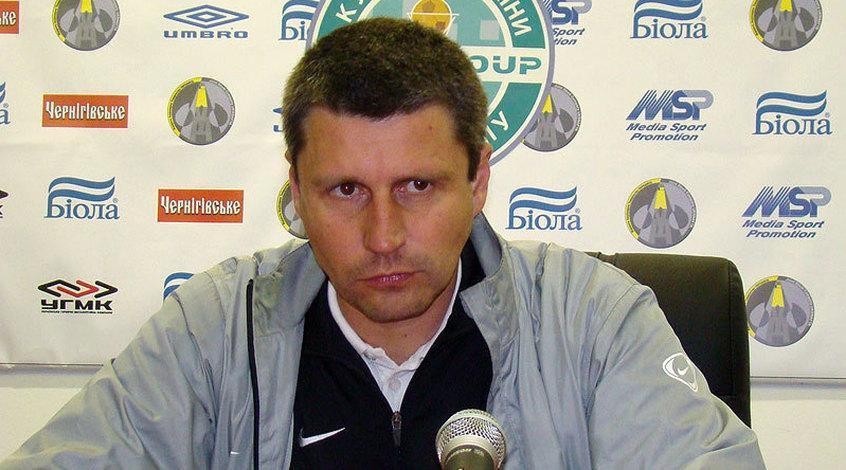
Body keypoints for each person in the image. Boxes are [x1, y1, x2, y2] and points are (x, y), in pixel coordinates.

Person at [2, 18, 765, 469]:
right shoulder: (216, 329)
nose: (383, 236)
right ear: (297, 191)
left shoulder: (591, 320)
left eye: (418, 186)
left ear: (478, 179)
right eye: (345, 191)